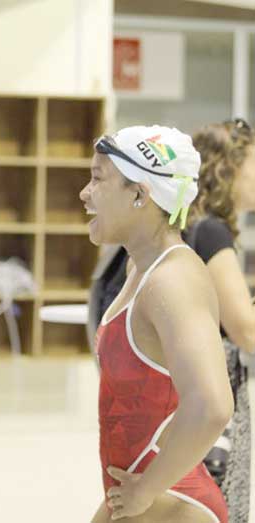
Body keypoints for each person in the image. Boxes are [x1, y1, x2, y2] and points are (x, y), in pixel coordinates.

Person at [83, 126, 233, 522]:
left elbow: (212, 405)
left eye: (98, 179)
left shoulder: (173, 280)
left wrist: (147, 488)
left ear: (139, 194)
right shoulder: (141, 269)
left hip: (171, 503)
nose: (85, 193)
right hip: (144, 497)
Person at [183, 118, 255, 522]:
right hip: (215, 395)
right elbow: (246, 330)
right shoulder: (211, 233)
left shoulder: (189, 226)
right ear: (229, 167)